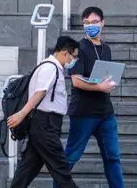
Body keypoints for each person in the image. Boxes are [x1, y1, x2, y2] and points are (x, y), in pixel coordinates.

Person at [59, 7, 124, 188]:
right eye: (86, 23)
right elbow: (76, 81)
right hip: (83, 113)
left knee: (113, 158)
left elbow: (105, 76)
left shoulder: (106, 49)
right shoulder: (78, 49)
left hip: (105, 113)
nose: (90, 26)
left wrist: (109, 83)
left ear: (102, 23)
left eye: (94, 22)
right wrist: (99, 86)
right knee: (71, 157)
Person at [7, 36, 81, 188]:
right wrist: (21, 114)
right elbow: (39, 93)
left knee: (27, 168)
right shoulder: (50, 68)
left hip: (44, 124)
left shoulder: (51, 67)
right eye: (73, 56)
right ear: (65, 53)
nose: (73, 61)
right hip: (45, 124)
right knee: (61, 169)